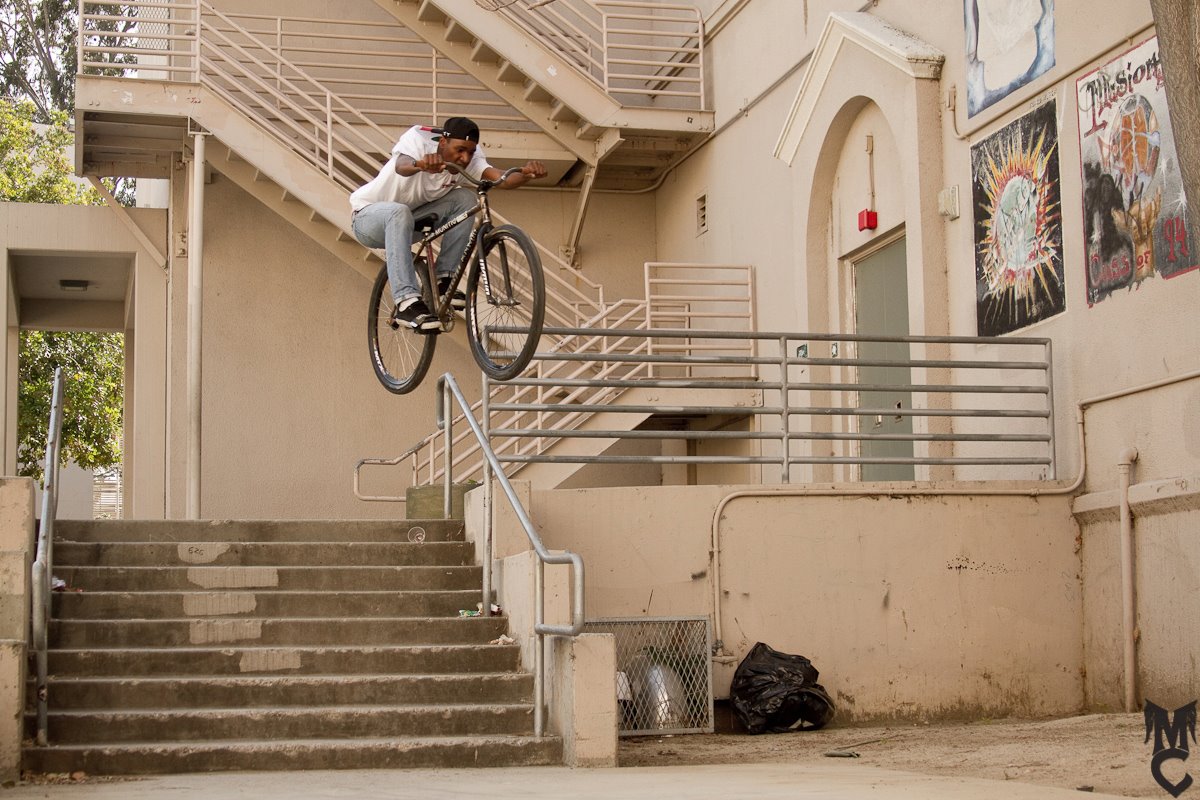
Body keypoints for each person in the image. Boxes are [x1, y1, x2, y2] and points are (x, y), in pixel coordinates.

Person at [350, 117, 547, 330]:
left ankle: (443, 280)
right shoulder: (419, 139)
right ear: (443, 143)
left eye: (470, 152)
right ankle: (406, 301)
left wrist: (526, 174)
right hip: (368, 219)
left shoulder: (470, 159)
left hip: (410, 223)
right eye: (459, 150)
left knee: (466, 199)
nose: (464, 158)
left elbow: (502, 179)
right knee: (399, 212)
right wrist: (420, 164)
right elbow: (401, 166)